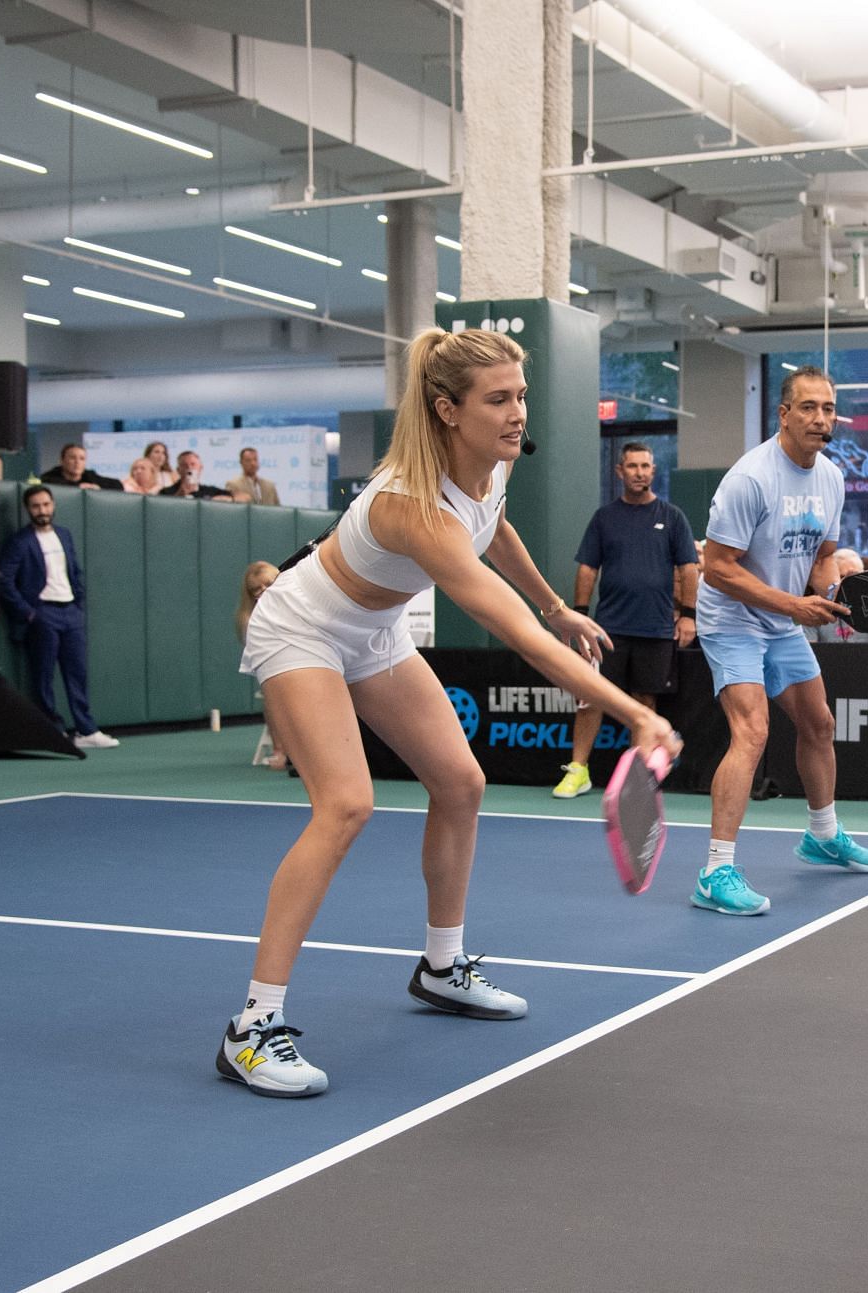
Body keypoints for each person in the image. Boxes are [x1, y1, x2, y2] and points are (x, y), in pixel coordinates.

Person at [224, 327, 681, 1098]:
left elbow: (495, 529)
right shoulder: (414, 506)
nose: (516, 414)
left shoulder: (488, 469)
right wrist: (632, 713)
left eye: (521, 396)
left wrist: (556, 604)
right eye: (498, 399)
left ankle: (442, 966)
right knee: (345, 804)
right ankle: (250, 1028)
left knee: (460, 783)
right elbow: (517, 637)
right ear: (447, 409)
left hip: (374, 629)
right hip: (302, 625)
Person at [690, 363, 868, 920]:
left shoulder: (832, 478)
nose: (821, 419)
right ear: (784, 414)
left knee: (819, 723)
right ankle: (715, 869)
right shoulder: (751, 479)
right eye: (808, 408)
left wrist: (836, 597)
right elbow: (717, 569)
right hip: (731, 620)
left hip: (779, 619)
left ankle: (822, 835)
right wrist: (795, 605)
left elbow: (821, 560)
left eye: (828, 409)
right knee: (752, 731)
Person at [552, 441, 699, 800]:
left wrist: (689, 616)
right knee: (590, 697)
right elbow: (588, 568)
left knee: (644, 703)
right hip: (608, 629)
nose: (639, 472)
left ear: (653, 470)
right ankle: (579, 770)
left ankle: (638, 778)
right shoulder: (605, 518)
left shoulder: (673, 517)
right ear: (620, 471)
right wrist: (580, 617)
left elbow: (689, 568)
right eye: (632, 466)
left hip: (655, 628)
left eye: (645, 466)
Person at [0, 484, 120, 750]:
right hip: (43, 613)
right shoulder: (20, 542)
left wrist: (78, 601)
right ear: (28, 510)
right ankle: (52, 732)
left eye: (46, 505)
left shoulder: (64, 535)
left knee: (77, 673)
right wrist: (29, 614)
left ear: (53, 505)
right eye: (36, 506)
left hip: (70, 613)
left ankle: (86, 730)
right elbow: (5, 581)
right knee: (43, 677)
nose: (42, 511)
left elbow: (74, 570)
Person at [235, 561, 289, 771]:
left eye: (267, 584)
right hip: (275, 673)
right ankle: (280, 751)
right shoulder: (249, 620)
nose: (262, 591)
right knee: (273, 696)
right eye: (256, 589)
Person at [39, 442, 124, 490]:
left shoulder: (89, 475)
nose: (77, 462)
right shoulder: (49, 478)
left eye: (82, 459)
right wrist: (78, 488)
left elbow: (117, 485)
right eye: (72, 458)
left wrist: (98, 487)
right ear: (62, 461)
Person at [160, 449, 228, 499]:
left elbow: (232, 498)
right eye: (184, 465)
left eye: (193, 464)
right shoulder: (165, 492)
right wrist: (179, 495)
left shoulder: (212, 492)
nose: (189, 468)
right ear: (178, 470)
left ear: (200, 468)